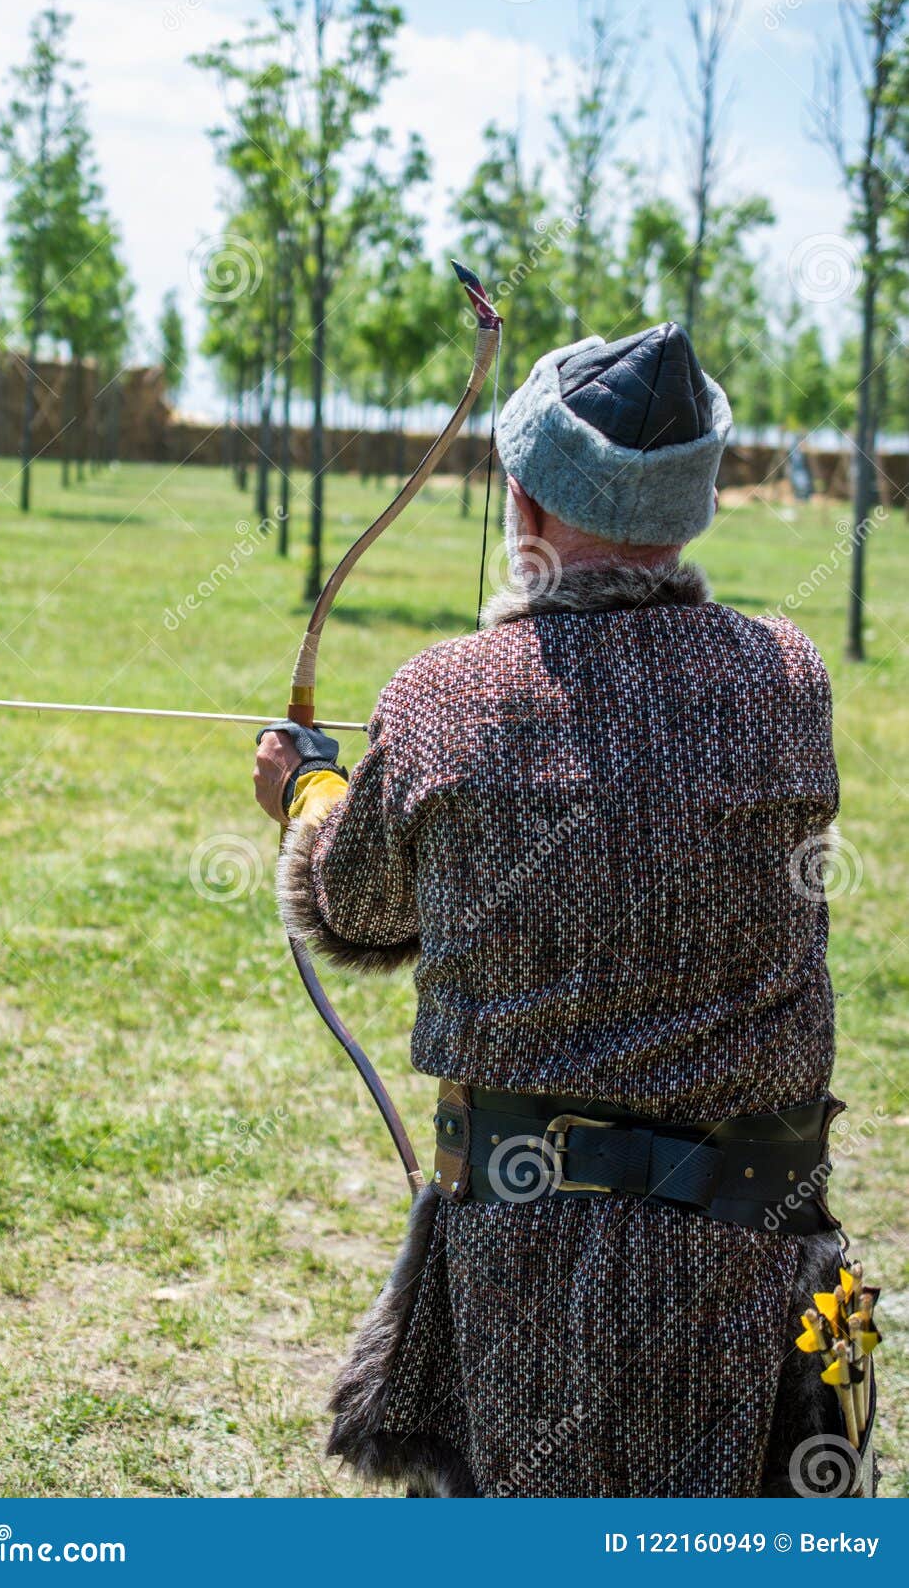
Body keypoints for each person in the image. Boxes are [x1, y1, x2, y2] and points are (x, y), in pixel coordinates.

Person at [253, 322, 854, 1498]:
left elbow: (359, 905)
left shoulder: (444, 696)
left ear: (522, 504)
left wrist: (313, 790)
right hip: (754, 1250)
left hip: (533, 1257)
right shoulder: (788, 681)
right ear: (690, 507)